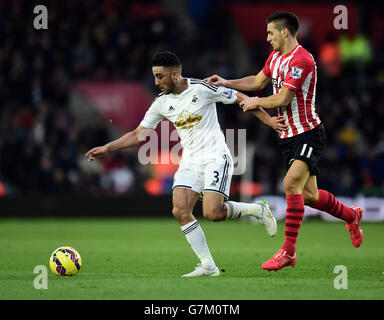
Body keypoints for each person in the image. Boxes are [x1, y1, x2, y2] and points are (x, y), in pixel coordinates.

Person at [85, 51, 286, 277]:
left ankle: (257, 210)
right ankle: (208, 265)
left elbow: (241, 98)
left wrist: (269, 120)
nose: (156, 82)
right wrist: (107, 148)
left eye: (160, 76)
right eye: (154, 76)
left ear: (175, 74)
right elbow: (138, 134)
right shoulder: (161, 102)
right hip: (190, 161)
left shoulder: (202, 89)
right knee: (180, 210)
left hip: (215, 156)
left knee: (213, 213)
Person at [205, 12, 363, 271]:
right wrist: (227, 81)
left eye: (270, 33)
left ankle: (288, 252)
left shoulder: (302, 59)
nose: (268, 38)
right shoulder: (275, 57)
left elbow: (282, 99)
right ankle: (351, 216)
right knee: (310, 196)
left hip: (309, 132)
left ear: (285, 32)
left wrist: (256, 101)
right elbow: (257, 81)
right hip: (288, 135)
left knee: (290, 183)